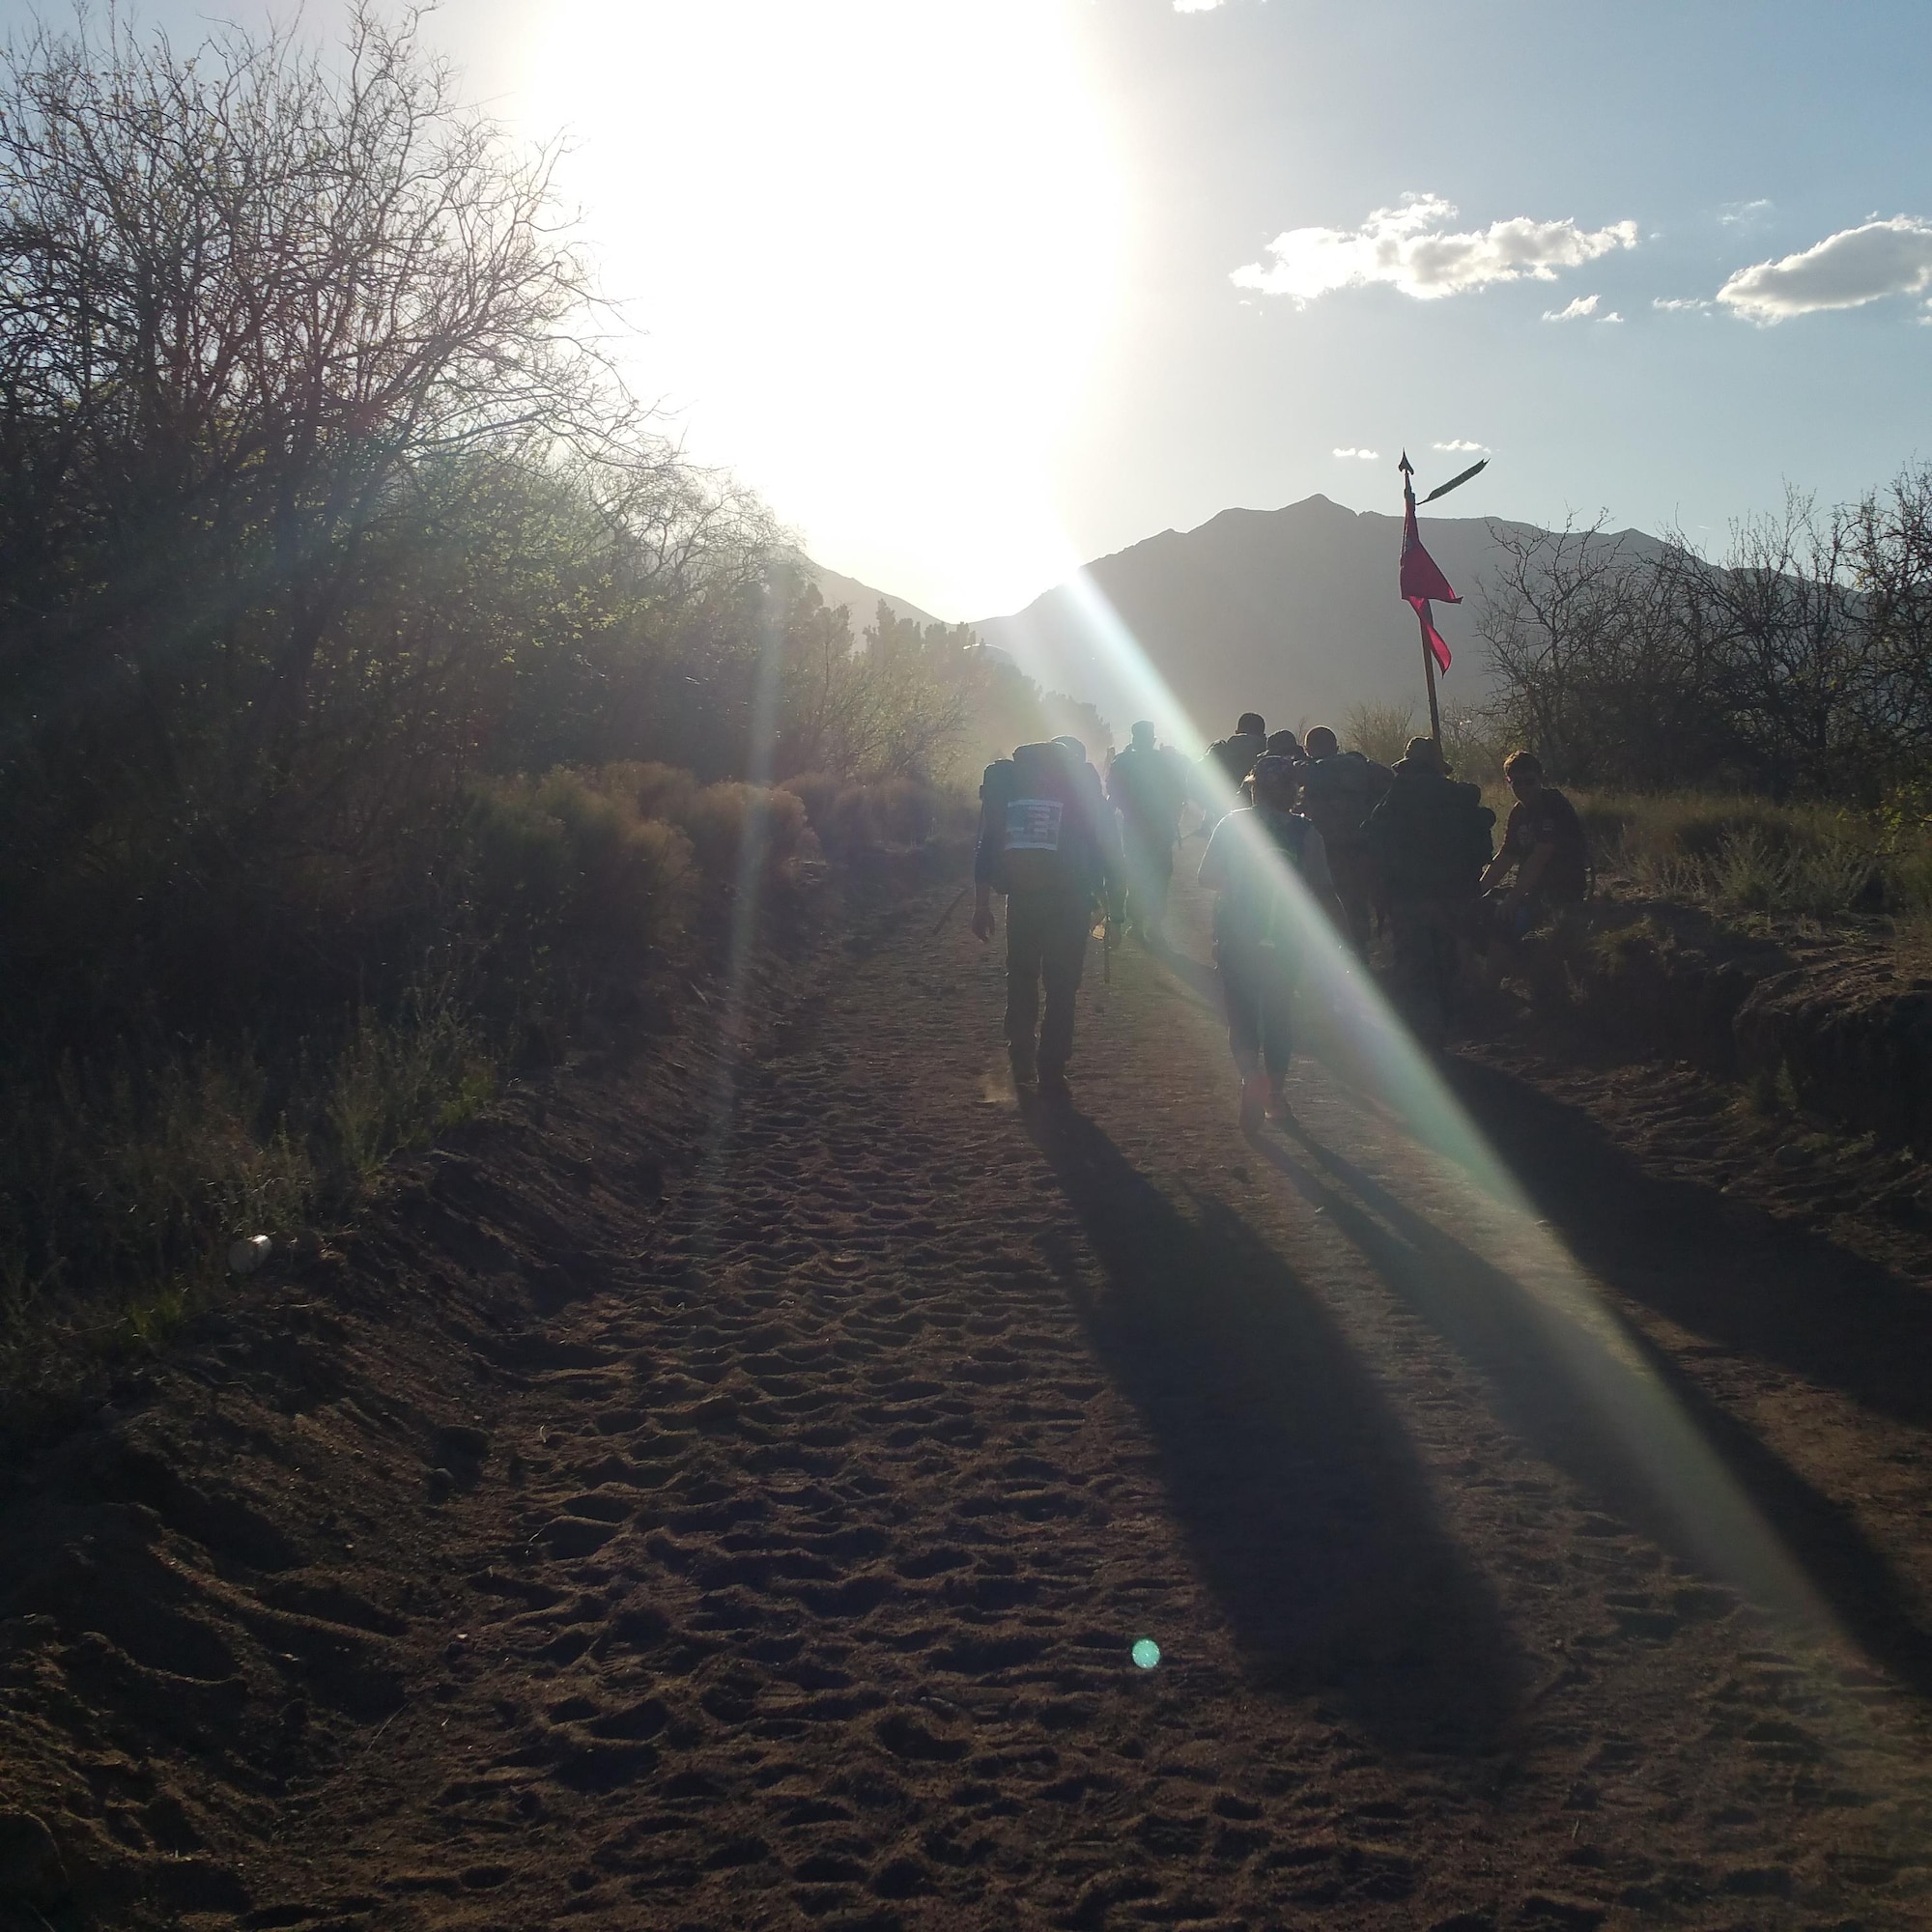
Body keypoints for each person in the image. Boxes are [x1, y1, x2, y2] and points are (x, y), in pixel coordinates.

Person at [1198, 753, 1346, 1131]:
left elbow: (1206, 877)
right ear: (1292, 792)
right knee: (1279, 1014)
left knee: (1241, 1012)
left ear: (1253, 789)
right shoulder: (1307, 833)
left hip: (1235, 934)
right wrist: (1342, 937)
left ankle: (1250, 1076)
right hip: (1285, 938)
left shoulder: (1231, 825)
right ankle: (1275, 1096)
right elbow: (1324, 890)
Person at [972, 735, 1117, 1102]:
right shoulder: (1083, 796)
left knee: (1020, 977)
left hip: (1022, 899)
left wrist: (981, 905)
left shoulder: (1015, 791)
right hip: (1071, 902)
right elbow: (1107, 852)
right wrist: (1113, 906)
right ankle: (1052, 1065)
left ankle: (1020, 1059)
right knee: (1062, 985)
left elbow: (987, 846)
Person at [1363, 736, 1495, 1043]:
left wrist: (1380, 889)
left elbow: (1372, 840)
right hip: (1454, 895)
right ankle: (1452, 1024)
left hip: (1408, 898)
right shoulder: (1460, 798)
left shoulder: (1396, 798)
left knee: (1415, 966)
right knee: (1449, 959)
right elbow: (1481, 849)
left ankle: (1423, 1034)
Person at [1299, 725, 1393, 954]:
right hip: (1360, 845)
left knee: (1324, 901)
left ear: (1308, 749)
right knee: (1356, 902)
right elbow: (1388, 785)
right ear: (1336, 746)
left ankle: (1334, 955)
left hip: (1325, 848)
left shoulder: (1305, 771)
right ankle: (1360, 951)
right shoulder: (1362, 766)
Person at [1480, 750, 1589, 938]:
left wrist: (1513, 899)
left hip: (1561, 891)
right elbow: (1506, 856)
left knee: (1502, 926)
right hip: (1533, 890)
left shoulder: (1553, 804)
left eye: (1529, 781)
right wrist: (1476, 891)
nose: (1523, 788)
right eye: (1517, 782)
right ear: (1509, 782)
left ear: (1540, 778)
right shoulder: (1518, 812)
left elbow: (1540, 856)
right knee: (1474, 914)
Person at [1106, 721, 1189, 948]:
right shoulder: (1163, 761)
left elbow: (1113, 794)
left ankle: (1139, 921)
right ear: (1151, 738)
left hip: (1135, 826)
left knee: (1137, 873)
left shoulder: (1123, 762)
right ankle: (1153, 923)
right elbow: (1179, 793)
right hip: (1160, 827)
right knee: (1160, 874)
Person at [1196, 712, 1268, 826]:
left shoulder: (1220, 753)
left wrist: (1210, 806)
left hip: (1224, 821)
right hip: (1264, 825)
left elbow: (1195, 781)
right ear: (1263, 735)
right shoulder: (1270, 758)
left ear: (1237, 732)